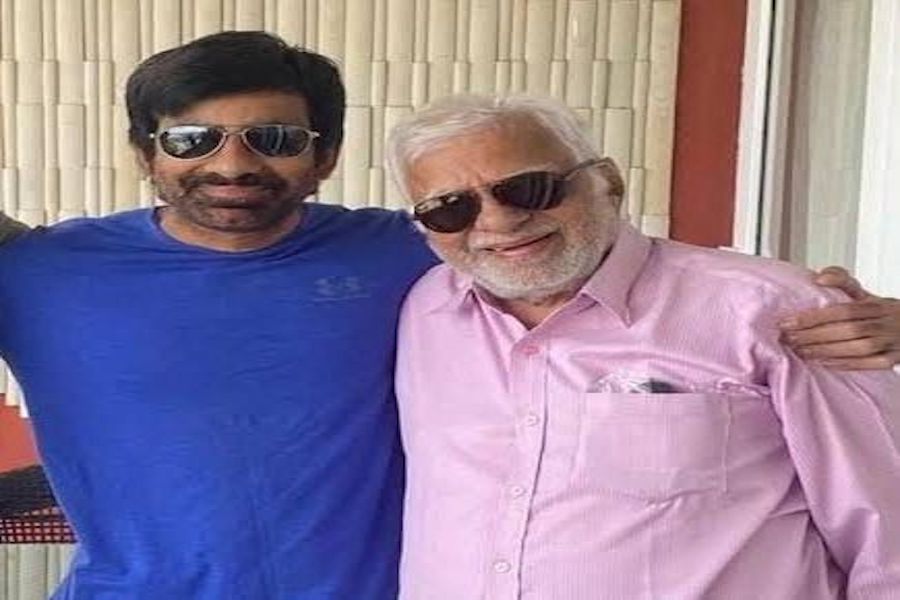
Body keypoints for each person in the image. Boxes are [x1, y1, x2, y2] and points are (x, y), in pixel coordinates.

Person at [0, 31, 896, 599]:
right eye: (192, 139)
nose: (232, 164)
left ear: (324, 156)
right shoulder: (39, 273)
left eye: (274, 139)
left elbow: (620, 265)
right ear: (146, 154)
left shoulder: (418, 253)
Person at [388, 94, 900, 599]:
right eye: (450, 209)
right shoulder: (425, 309)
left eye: (530, 188)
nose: (498, 222)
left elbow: (887, 534)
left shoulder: (779, 311)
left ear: (608, 182)